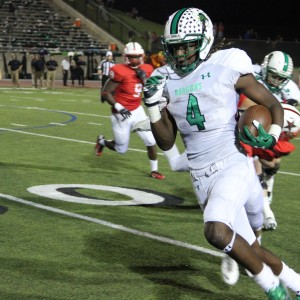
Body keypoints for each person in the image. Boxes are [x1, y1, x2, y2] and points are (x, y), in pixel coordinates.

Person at [142, 7, 300, 299]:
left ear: (203, 40)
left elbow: (273, 104)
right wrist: (152, 107)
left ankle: (272, 288)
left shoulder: (226, 64)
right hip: (201, 176)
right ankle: (297, 284)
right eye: (175, 47)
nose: (180, 54)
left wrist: (273, 135)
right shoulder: (164, 77)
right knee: (251, 249)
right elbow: (165, 142)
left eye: (187, 45)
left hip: (232, 162)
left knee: (216, 230)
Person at [95, 42, 165, 180]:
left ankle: (154, 170)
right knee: (121, 149)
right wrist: (119, 107)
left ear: (142, 56)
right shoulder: (120, 70)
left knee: (151, 141)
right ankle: (102, 142)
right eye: (131, 57)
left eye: (136, 57)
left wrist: (144, 78)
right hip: (121, 113)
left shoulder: (148, 68)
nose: (134, 60)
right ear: (126, 57)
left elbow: (151, 89)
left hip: (138, 110)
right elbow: (106, 92)